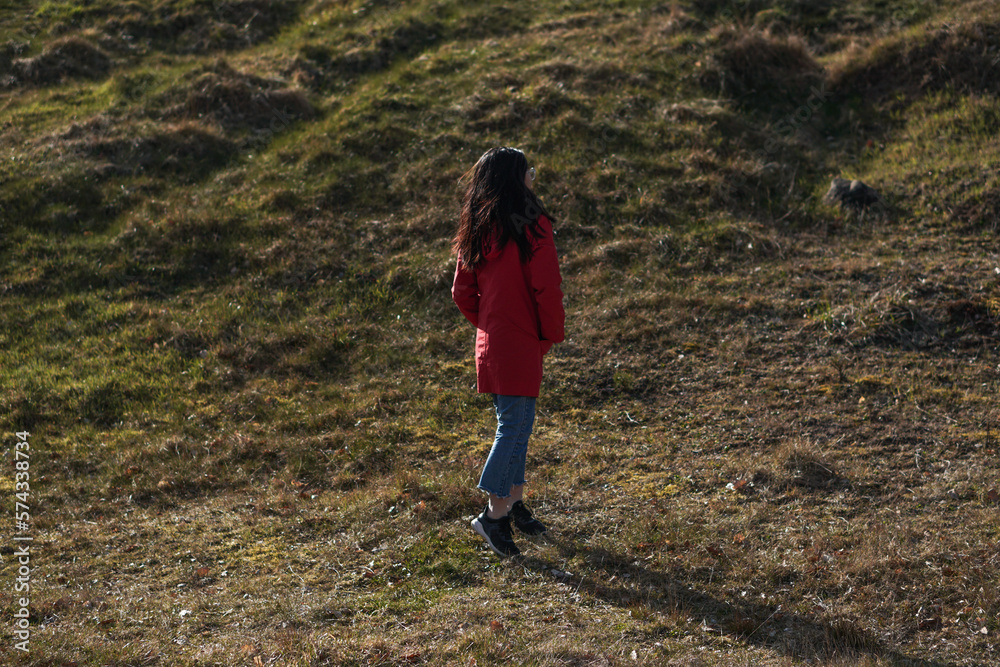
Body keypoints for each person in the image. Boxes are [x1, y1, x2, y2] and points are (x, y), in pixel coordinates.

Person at [451, 147, 565, 557]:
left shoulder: (477, 229)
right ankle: (493, 516)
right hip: (521, 340)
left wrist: (491, 324)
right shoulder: (533, 225)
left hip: (493, 342)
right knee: (514, 427)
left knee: (519, 422)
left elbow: (462, 293)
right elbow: (546, 287)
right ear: (517, 180)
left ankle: (513, 502)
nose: (533, 178)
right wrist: (548, 334)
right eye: (528, 171)